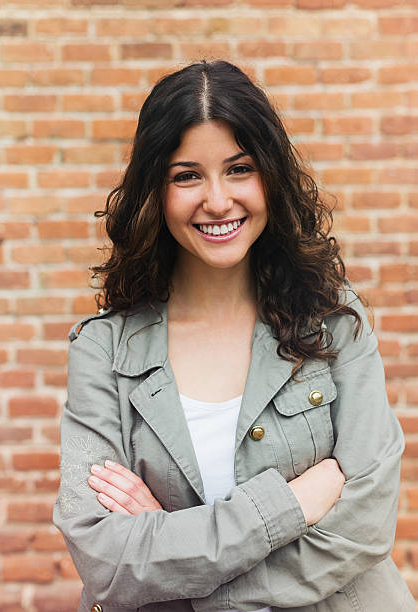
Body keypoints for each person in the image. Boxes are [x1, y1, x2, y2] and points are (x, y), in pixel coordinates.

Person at [53, 59, 414, 612]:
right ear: (156, 190)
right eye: (187, 175)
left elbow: (361, 528)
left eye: (240, 168)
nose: (218, 201)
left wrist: (183, 563)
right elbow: (107, 560)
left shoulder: (335, 322)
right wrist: (291, 503)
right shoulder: (103, 351)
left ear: (271, 175)